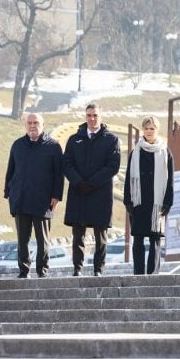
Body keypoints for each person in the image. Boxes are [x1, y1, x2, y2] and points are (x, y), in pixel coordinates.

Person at [62, 103, 121, 277]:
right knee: (78, 234)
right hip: (78, 192)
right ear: (85, 116)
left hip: (100, 193)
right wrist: (79, 182)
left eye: (95, 115)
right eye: (89, 115)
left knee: (100, 235)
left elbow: (112, 166)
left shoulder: (111, 139)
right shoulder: (74, 139)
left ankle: (98, 269)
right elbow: (66, 163)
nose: (92, 118)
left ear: (100, 116)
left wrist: (92, 183)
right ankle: (77, 268)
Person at [4, 113, 63, 278]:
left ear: (42, 125)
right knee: (22, 239)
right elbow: (11, 171)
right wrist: (8, 192)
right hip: (21, 198)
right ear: (25, 125)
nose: (32, 126)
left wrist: (56, 196)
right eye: (29, 123)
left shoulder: (53, 146)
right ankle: (23, 270)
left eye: (35, 122)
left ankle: (42, 270)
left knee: (42, 239)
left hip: (43, 201)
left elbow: (59, 175)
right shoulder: (18, 145)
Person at [123, 116, 174, 275]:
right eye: (146, 128)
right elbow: (128, 178)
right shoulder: (135, 151)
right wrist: (128, 201)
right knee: (138, 238)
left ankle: (153, 274)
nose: (149, 131)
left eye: (152, 128)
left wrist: (168, 202)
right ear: (143, 130)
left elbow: (170, 179)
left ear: (157, 130)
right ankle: (138, 273)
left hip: (157, 202)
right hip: (138, 201)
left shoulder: (165, 152)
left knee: (155, 239)